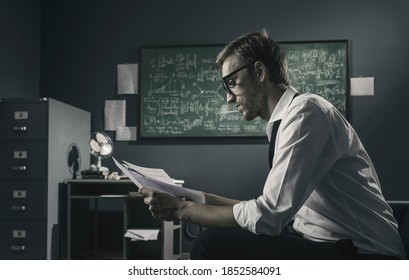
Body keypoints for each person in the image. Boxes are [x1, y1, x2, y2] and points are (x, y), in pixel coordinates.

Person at [139, 29, 406, 260]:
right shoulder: (290, 119)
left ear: (258, 71)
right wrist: (199, 199)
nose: (229, 99)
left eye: (231, 83)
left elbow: (268, 215)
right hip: (325, 242)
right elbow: (272, 207)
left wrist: (182, 210)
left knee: (210, 246)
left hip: (365, 254)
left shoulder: (305, 113)